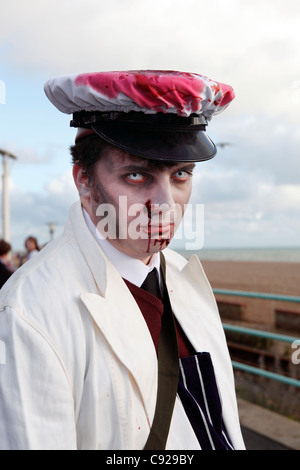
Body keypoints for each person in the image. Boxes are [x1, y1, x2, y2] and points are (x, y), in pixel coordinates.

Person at [0, 70, 245, 450]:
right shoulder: (29, 314)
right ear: (84, 181)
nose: (165, 204)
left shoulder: (184, 277)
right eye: (136, 176)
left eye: (180, 174)